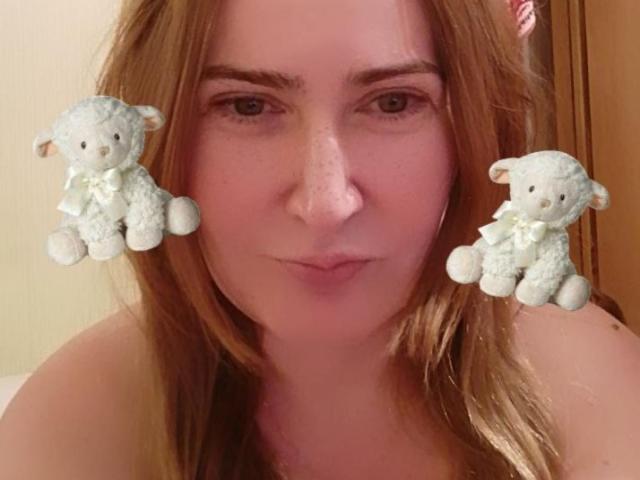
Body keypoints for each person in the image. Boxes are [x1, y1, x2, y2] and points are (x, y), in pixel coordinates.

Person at [1, 0, 638, 479]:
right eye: (247, 106)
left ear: (475, 133)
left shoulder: (597, 394)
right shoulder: (70, 429)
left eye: (393, 102)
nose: (326, 205)